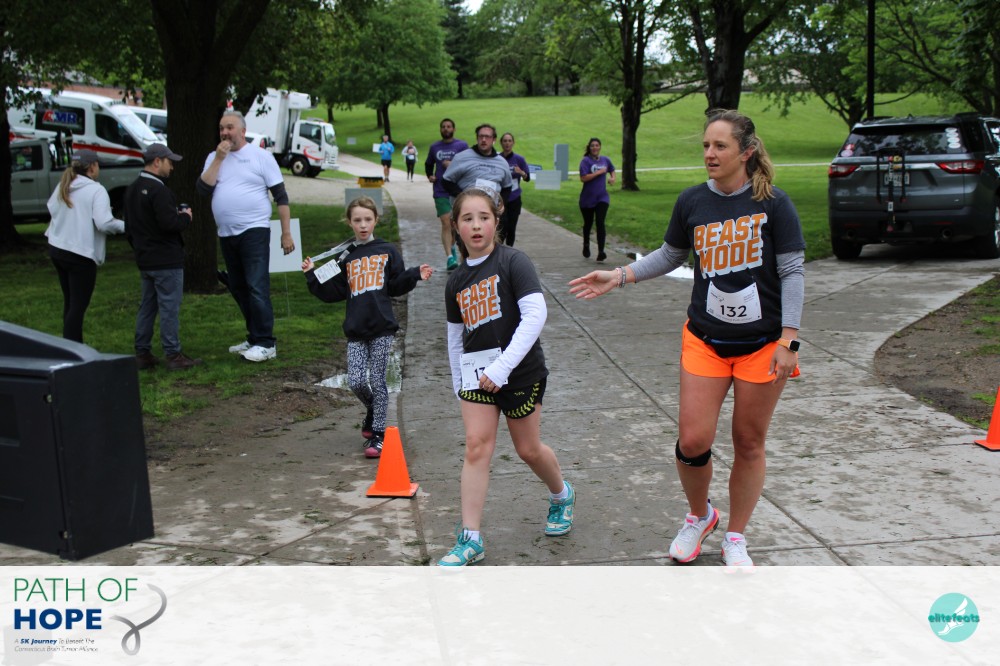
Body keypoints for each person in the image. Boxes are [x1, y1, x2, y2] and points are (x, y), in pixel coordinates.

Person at [569, 109, 805, 569]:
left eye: (720, 146)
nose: (710, 154)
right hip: (705, 340)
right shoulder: (692, 201)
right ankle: (700, 516)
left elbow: (792, 271)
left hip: (762, 345)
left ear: (746, 152)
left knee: (748, 441)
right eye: (706, 146)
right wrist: (619, 275)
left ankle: (736, 535)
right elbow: (670, 255)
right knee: (693, 440)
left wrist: (788, 341)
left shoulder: (774, 204)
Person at [438, 187, 575, 566]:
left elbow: (535, 315)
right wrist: (458, 382)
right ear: (456, 226)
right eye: (467, 219)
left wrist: (502, 368)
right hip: (476, 377)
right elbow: (454, 337)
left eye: (483, 217)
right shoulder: (455, 281)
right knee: (475, 447)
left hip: (520, 373)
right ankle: (470, 539)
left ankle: (561, 494)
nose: (476, 225)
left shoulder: (514, 261)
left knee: (528, 450)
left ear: (496, 221)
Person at [302, 196, 433, 458]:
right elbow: (333, 291)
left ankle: (378, 436)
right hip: (356, 329)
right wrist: (311, 274)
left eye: (368, 219)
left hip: (382, 327)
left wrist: (414, 274)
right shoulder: (345, 256)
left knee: (377, 380)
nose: (363, 225)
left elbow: (395, 285)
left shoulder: (388, 250)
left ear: (376, 220)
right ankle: (374, 410)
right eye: (357, 220)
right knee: (356, 381)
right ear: (349, 222)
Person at [198, 109, 294, 362]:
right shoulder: (213, 158)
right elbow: (203, 189)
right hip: (227, 233)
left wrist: (286, 233)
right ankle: (254, 337)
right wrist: (219, 159)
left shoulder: (260, 157)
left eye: (229, 127)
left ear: (243, 131)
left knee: (256, 286)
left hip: (254, 230)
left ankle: (266, 343)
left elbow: (281, 197)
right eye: (221, 128)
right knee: (239, 287)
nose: (224, 132)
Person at [125, 143, 201, 371]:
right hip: (166, 260)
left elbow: (129, 228)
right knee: (169, 307)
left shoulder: (132, 189)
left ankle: (142, 352)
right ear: (157, 162)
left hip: (145, 258)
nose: (172, 168)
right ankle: (173, 354)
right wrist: (185, 217)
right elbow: (169, 224)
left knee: (147, 306)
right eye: (169, 162)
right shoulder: (159, 190)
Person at [44, 149, 125, 343]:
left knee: (70, 302)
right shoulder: (96, 190)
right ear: (93, 167)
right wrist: (128, 226)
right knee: (78, 307)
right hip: (79, 254)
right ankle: (73, 349)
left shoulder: (64, 184)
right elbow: (104, 223)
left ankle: (70, 346)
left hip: (57, 248)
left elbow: (52, 207)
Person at [424, 118, 469, 271]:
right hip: (440, 190)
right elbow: (428, 164)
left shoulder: (462, 146)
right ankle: (450, 257)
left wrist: (453, 164)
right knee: (446, 222)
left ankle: (458, 249)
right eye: (443, 126)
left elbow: (468, 164)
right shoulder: (435, 147)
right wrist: (430, 175)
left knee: (458, 224)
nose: (446, 128)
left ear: (454, 129)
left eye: (449, 126)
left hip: (458, 190)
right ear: (440, 129)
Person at [578, 137, 616, 262]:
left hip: (602, 197)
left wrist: (612, 178)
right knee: (588, 224)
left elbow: (612, 169)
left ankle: (601, 251)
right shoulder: (585, 161)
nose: (595, 147)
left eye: (597, 145)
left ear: (600, 147)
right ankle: (586, 245)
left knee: (600, 222)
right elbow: (583, 178)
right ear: (589, 148)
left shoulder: (605, 160)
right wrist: (598, 173)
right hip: (587, 199)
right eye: (592, 145)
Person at [498, 132, 531, 246]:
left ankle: (509, 250)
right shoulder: (497, 159)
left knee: (511, 228)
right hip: (501, 198)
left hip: (514, 198)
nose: (507, 143)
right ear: (501, 143)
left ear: (513, 143)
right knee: (501, 227)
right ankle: (499, 250)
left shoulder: (519, 159)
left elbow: (527, 178)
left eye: (509, 141)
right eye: (505, 141)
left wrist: (521, 172)